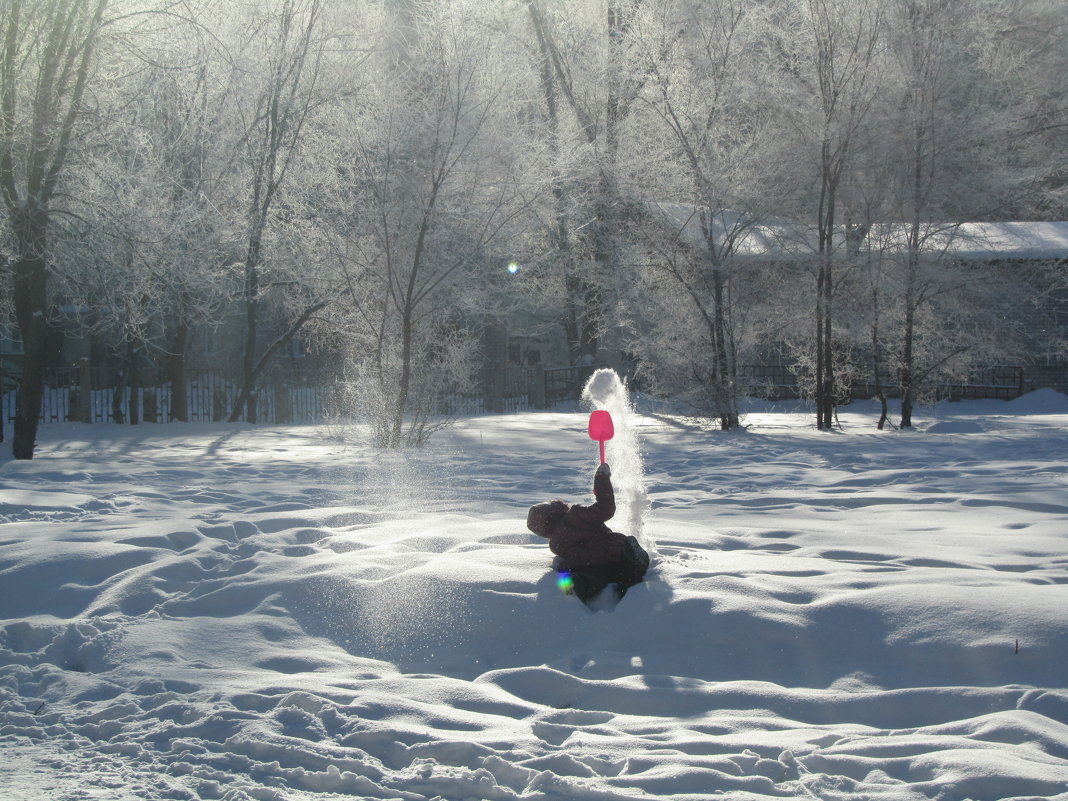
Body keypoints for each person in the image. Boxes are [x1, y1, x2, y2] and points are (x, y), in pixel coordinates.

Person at [526, 462, 650, 605]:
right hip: (615, 551)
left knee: (595, 576)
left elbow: (573, 558)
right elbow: (606, 508)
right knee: (627, 549)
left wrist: (565, 574)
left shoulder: (556, 545)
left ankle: (582, 584)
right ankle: (631, 568)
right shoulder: (575, 516)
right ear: (557, 508)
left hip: (596, 565)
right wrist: (601, 479)